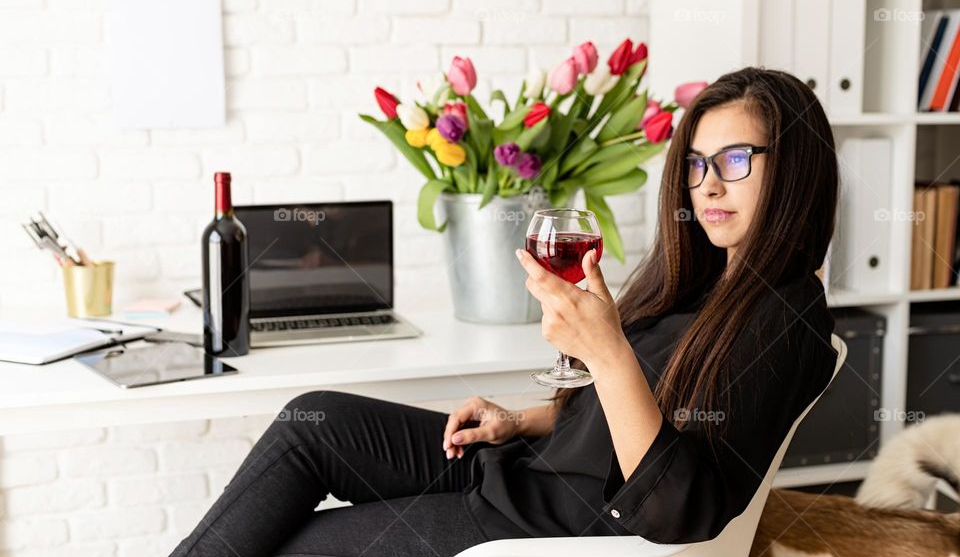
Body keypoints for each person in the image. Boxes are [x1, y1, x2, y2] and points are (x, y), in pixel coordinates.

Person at [171, 66, 840, 557]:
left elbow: (677, 509)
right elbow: (657, 407)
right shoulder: (708, 280)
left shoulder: (788, 319)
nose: (710, 184)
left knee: (296, 546)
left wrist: (605, 350)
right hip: (528, 467)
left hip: (554, 518)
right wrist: (522, 418)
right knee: (311, 423)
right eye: (695, 164)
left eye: (735, 158)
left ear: (796, 167)